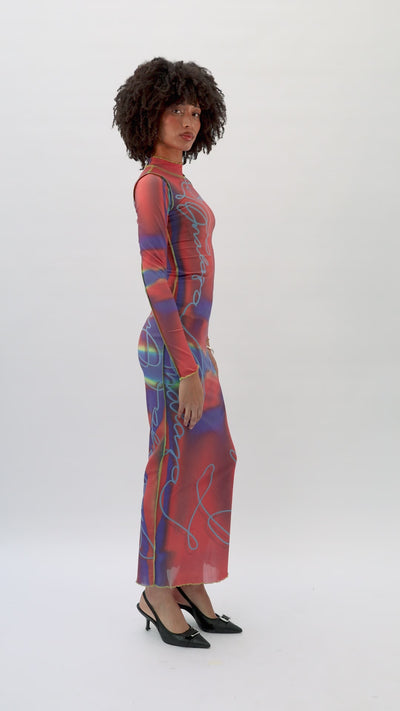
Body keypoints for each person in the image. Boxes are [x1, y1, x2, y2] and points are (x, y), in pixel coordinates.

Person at [113, 57, 241, 648]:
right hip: (171, 351)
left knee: (213, 456)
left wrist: (202, 350)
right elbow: (155, 277)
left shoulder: (183, 182)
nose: (188, 122)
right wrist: (186, 364)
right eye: (175, 111)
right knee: (168, 463)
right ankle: (156, 590)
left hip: (194, 346)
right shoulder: (152, 185)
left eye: (195, 112)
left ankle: (187, 579)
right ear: (149, 115)